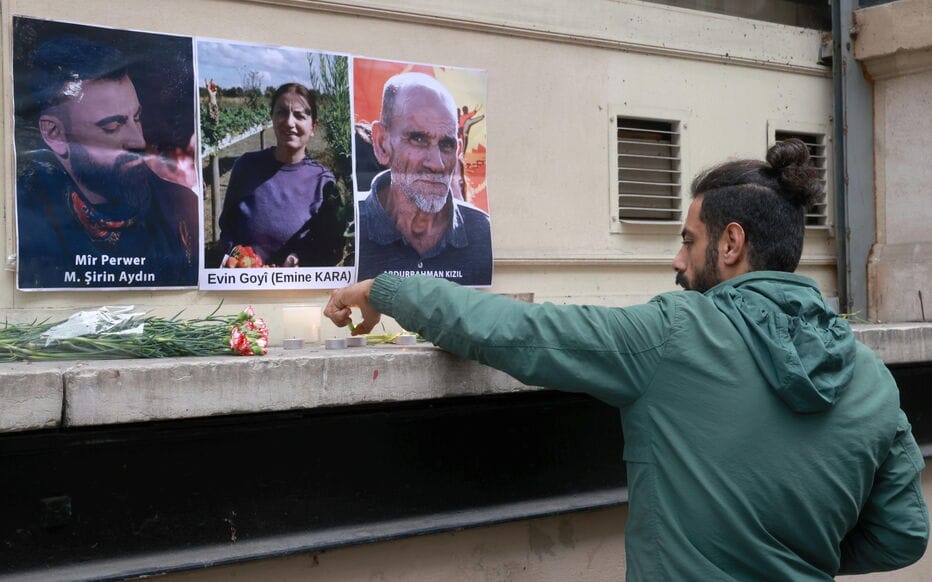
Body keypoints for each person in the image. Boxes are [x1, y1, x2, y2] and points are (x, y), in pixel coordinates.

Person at [326, 140, 929, 580]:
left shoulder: (677, 334)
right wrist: (801, 556)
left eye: (688, 240)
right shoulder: (870, 376)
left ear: (731, 242)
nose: (677, 260)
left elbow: (520, 331)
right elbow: (904, 536)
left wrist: (385, 289)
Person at [16, 35, 198, 289]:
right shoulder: (24, 221)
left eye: (137, 118)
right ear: (55, 134)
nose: (138, 141)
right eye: (112, 126)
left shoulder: (182, 207)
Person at [357, 72, 492, 286]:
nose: (437, 164)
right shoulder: (349, 227)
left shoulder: (481, 231)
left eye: (446, 145)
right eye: (418, 139)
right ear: (382, 143)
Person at [218, 82, 342, 268]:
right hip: (246, 285)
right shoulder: (246, 166)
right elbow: (228, 230)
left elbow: (329, 249)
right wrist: (238, 260)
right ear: (273, 119)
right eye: (282, 112)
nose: (289, 122)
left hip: (296, 291)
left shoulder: (324, 181)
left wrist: (300, 261)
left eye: (299, 115)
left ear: (313, 127)